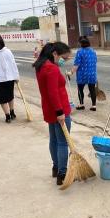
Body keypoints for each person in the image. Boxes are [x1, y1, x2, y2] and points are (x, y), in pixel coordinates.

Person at [33, 42, 72, 185]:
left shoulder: (41, 66)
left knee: (54, 140)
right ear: (55, 53)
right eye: (64, 58)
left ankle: (56, 168)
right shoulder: (51, 69)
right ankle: (62, 173)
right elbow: (53, 92)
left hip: (49, 110)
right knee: (62, 142)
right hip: (59, 110)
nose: (65, 61)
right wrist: (60, 112)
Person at [67, 36, 98, 111]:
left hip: (82, 74)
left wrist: (70, 73)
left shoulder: (80, 51)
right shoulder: (93, 51)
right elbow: (95, 61)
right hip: (92, 74)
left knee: (80, 90)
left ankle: (81, 105)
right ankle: (94, 106)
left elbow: (76, 65)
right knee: (92, 89)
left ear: (80, 43)